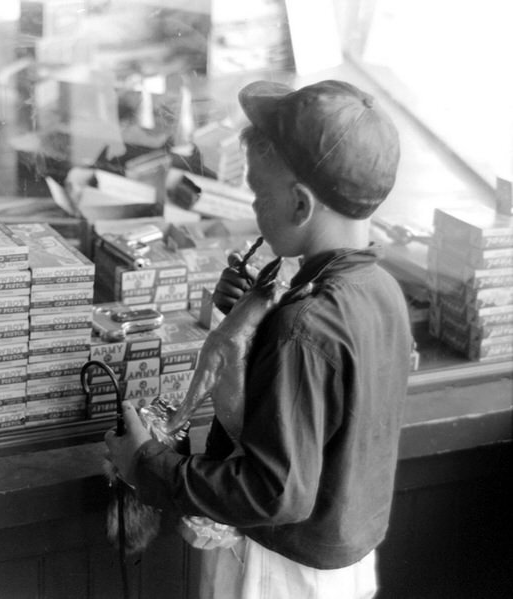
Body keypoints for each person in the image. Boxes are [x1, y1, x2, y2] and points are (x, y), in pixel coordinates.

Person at [105, 79, 412, 599]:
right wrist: (256, 310)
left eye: (258, 193)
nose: (253, 207)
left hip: (280, 573)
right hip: (339, 560)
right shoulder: (378, 289)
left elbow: (274, 492)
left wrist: (146, 464)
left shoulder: (304, 326)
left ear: (299, 205)